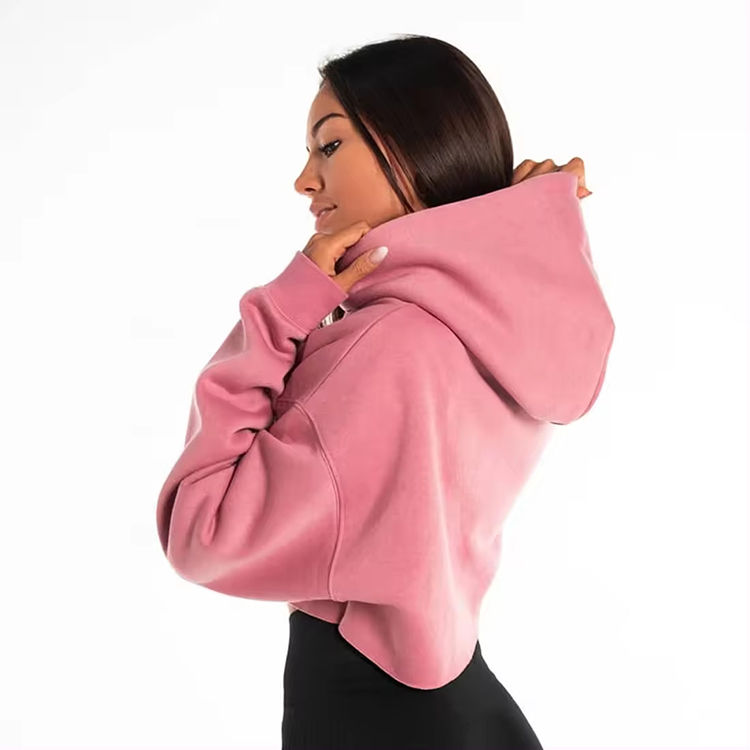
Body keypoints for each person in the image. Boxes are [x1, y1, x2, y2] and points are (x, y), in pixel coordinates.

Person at [155, 33, 613, 750]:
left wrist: (279, 314)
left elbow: (201, 531)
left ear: (411, 142)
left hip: (373, 714)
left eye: (330, 145)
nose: (305, 181)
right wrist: (526, 222)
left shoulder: (385, 344)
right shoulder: (500, 319)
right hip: (459, 700)